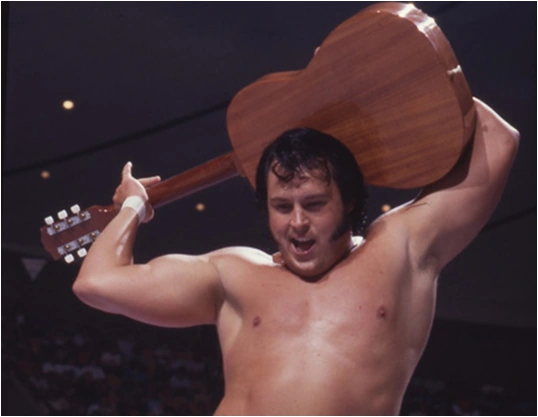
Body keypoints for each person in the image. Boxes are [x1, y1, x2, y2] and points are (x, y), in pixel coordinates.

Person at [73, 97, 519, 415]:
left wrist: (391, 71)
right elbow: (96, 283)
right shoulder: (233, 273)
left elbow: (497, 139)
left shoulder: (399, 248)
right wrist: (134, 205)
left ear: (348, 202)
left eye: (315, 204)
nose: (298, 222)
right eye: (282, 206)